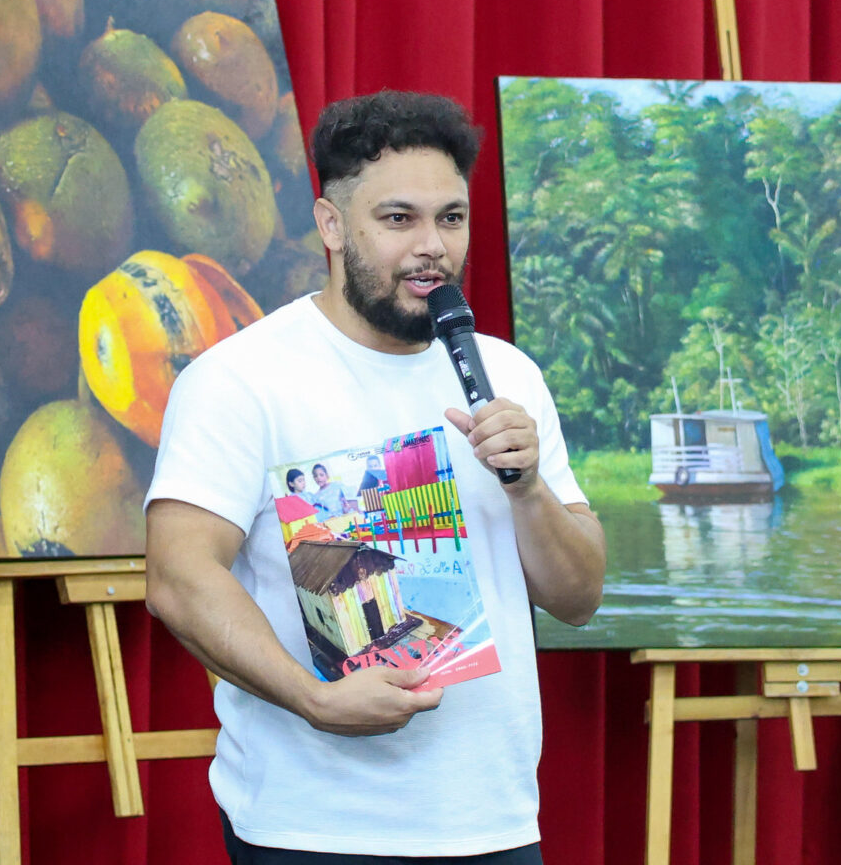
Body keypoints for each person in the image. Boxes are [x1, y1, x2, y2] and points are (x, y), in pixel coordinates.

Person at [144, 90, 606, 863]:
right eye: (399, 219)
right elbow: (178, 577)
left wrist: (528, 490)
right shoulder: (240, 379)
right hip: (311, 829)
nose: (432, 246)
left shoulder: (509, 375)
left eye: (451, 218)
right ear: (331, 226)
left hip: (492, 821)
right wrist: (314, 699)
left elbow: (579, 597)